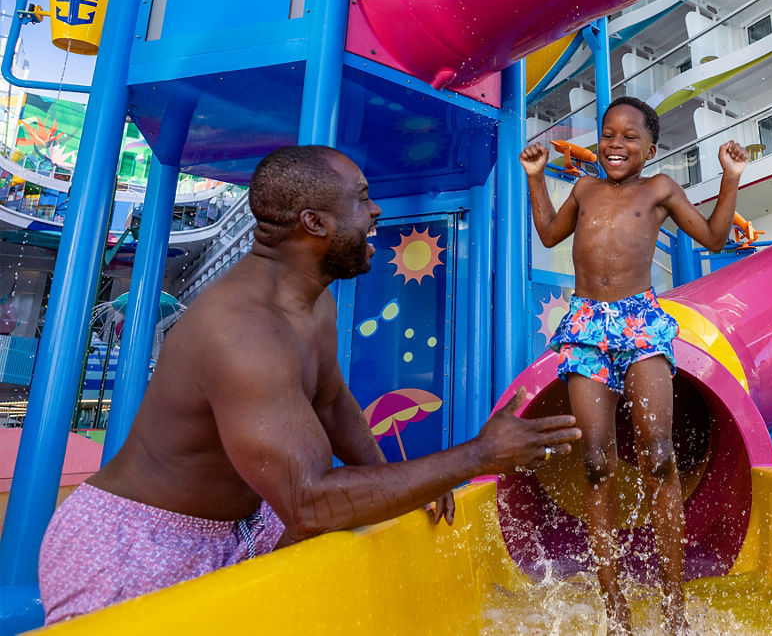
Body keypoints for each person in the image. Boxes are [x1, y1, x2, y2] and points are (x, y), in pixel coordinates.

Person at [39, 146, 582, 623]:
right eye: (363, 199)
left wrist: (396, 476)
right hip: (136, 548)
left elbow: (332, 403)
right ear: (315, 224)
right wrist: (478, 456)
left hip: (238, 528)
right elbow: (308, 503)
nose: (376, 212)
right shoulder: (245, 332)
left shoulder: (311, 300)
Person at [520, 96, 748, 634]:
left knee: (661, 456)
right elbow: (551, 234)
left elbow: (714, 238)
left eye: (629, 137)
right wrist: (535, 177)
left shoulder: (661, 189)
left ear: (650, 147)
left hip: (639, 323)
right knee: (597, 461)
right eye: (608, 134)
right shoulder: (584, 189)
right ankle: (615, 609)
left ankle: (674, 608)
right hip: (585, 326)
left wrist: (731, 176)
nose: (615, 145)